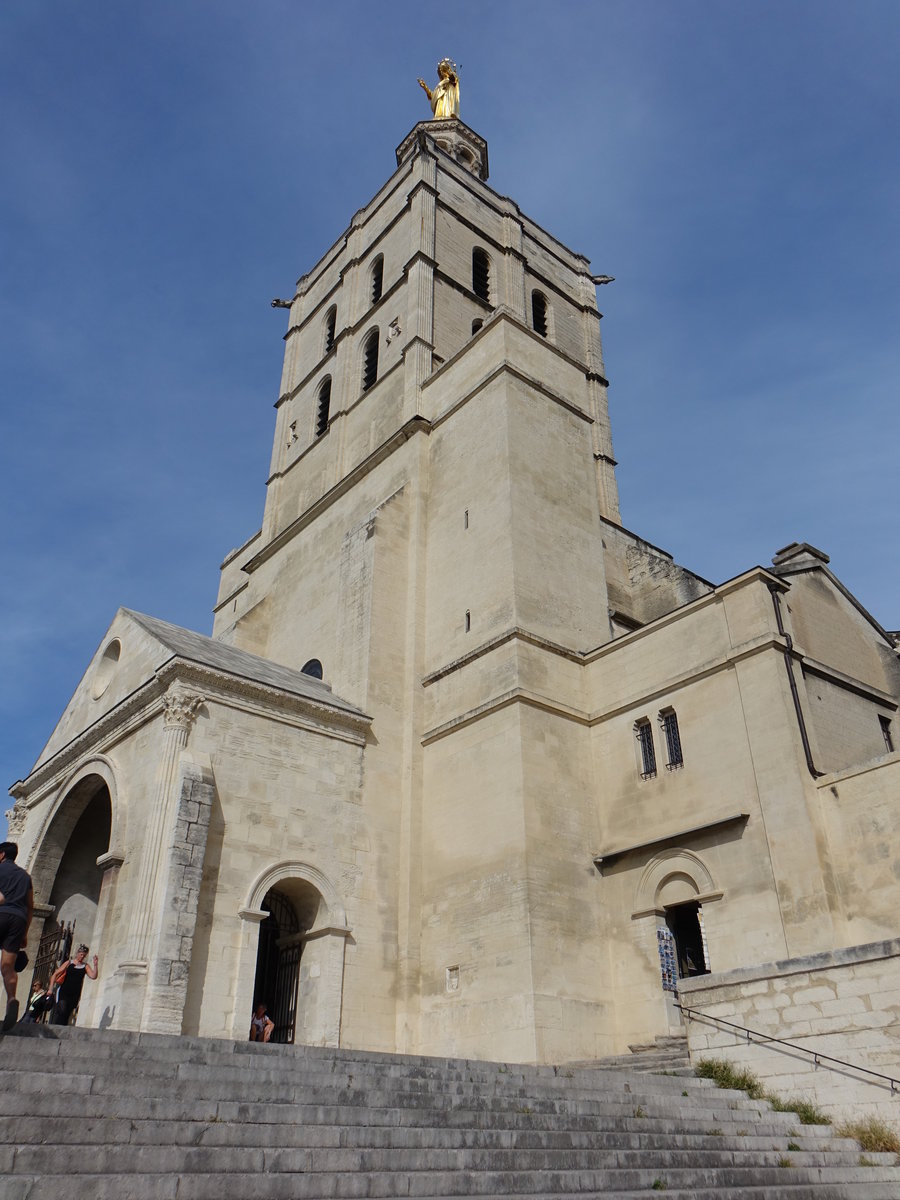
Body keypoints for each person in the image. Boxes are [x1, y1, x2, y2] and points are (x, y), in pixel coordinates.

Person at [0, 841, 34, 1032]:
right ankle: (12, 999)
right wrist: (25, 932)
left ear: (2, 855)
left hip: (1, 912)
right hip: (18, 920)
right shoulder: (25, 876)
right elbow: (30, 906)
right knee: (7, 966)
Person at [49, 943, 98, 1026]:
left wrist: (95, 965)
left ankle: (61, 1030)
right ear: (77, 953)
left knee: (67, 1013)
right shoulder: (69, 963)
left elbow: (93, 976)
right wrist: (50, 989)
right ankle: (56, 1028)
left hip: (75, 993)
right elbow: (55, 974)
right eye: (81, 954)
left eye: (84, 955)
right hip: (64, 991)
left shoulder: (85, 966)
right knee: (62, 1009)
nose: (82, 956)